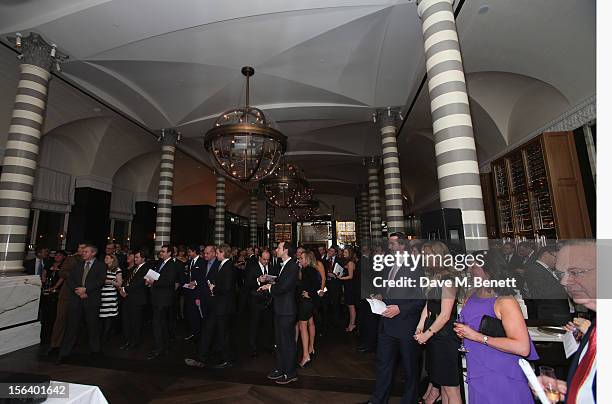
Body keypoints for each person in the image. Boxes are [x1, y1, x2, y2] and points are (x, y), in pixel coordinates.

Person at [453, 249, 539, 404]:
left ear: (488, 270)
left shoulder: (504, 301)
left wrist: (477, 337)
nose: (469, 270)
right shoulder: (472, 294)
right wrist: (465, 333)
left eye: (474, 266)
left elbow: (522, 347)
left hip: (499, 371)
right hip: (476, 367)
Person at [369, 233, 426, 404]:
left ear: (402, 246)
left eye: (392, 244)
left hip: (406, 325)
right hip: (386, 325)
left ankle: (409, 401)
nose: (390, 247)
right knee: (383, 366)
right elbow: (388, 291)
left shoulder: (416, 267)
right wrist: (380, 296)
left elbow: (421, 300)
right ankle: (378, 400)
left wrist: (400, 309)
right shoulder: (388, 265)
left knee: (410, 369)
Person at [537, 240, 596, 404]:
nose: (563, 282)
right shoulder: (592, 331)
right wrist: (568, 391)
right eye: (561, 274)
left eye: (575, 272)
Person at [414, 241, 461, 404]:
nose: (424, 258)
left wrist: (427, 334)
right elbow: (429, 304)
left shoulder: (448, 278)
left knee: (450, 387)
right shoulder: (435, 276)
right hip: (435, 332)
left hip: (445, 335)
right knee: (442, 385)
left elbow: (445, 315)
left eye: (427, 254)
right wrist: (421, 325)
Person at [58, 244, 107, 363]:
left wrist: (86, 290)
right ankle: (64, 354)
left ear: (93, 253)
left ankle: (95, 351)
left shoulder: (101, 266)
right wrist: (78, 291)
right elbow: (70, 279)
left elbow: (100, 281)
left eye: (86, 251)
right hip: (76, 299)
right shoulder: (78, 265)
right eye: (83, 251)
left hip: (91, 300)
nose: (83, 253)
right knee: (71, 327)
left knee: (93, 327)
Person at [260, 241, 299, 385]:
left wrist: (270, 288)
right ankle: (281, 368)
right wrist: (272, 284)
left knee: (287, 342)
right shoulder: (283, 265)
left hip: (287, 311)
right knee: (279, 342)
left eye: (279, 248)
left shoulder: (292, 265)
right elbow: (281, 284)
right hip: (280, 309)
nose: (276, 250)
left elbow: (285, 287)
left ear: (286, 250)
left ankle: (290, 372)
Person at [48, 244, 85, 356]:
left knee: (76, 321)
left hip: (80, 295)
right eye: (78, 247)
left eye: (82, 248)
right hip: (67, 294)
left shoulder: (90, 262)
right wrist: (75, 275)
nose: (80, 250)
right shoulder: (71, 259)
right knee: (60, 319)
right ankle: (55, 345)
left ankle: (72, 343)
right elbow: (62, 273)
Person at [146, 244, 180, 360]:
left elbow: (169, 282)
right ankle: (164, 346)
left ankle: (159, 349)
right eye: (161, 251)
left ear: (170, 253)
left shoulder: (172, 265)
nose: (161, 253)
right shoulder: (161, 263)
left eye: (163, 251)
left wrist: (153, 283)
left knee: (157, 323)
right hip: (157, 297)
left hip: (164, 299)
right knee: (161, 323)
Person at [120, 249, 150, 350]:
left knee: (135, 322)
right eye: (135, 257)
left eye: (137, 257)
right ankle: (127, 341)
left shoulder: (147, 268)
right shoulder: (134, 268)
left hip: (137, 299)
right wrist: (122, 289)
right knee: (126, 321)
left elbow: (139, 283)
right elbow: (127, 279)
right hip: (127, 298)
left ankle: (134, 342)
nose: (135, 259)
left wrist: (125, 289)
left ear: (143, 258)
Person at [245, 250, 273, 357]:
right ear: (259, 258)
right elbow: (247, 283)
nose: (266, 261)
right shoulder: (252, 267)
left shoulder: (271, 266)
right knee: (254, 324)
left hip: (268, 300)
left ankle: (267, 345)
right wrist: (258, 280)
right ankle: (253, 347)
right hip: (255, 300)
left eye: (268, 259)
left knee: (268, 324)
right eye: (264, 259)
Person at [296, 250, 321, 368]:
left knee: (302, 326)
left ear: (307, 259)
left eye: (301, 258)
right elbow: (316, 284)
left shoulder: (306, 270)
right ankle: (311, 348)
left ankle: (306, 355)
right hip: (310, 302)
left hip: (306, 302)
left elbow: (314, 285)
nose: (299, 260)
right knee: (310, 323)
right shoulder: (312, 269)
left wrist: (309, 293)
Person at [40, 251, 66, 345]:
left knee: (53, 313)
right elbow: (44, 274)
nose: (57, 256)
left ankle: (52, 334)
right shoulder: (49, 264)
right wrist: (44, 284)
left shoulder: (63, 266)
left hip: (57, 292)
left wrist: (54, 287)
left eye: (60, 255)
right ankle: (44, 333)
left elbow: (62, 278)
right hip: (46, 289)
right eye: (56, 255)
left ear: (63, 257)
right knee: (45, 312)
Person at [182, 245, 206, 342]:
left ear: (194, 252)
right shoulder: (189, 262)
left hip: (197, 292)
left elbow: (203, 276)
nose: (188, 254)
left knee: (197, 313)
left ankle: (198, 333)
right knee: (190, 313)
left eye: (190, 252)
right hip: (189, 291)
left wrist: (195, 282)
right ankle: (193, 332)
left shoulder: (202, 262)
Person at [99, 253, 122, 346]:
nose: (105, 259)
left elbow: (119, 283)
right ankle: (100, 337)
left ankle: (104, 339)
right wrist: (111, 281)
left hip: (110, 296)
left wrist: (108, 281)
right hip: (101, 295)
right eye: (105, 257)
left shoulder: (117, 269)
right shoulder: (102, 268)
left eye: (108, 258)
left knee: (108, 318)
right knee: (101, 318)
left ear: (113, 259)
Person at [338, 246, 358, 332]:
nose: (344, 254)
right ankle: (351, 323)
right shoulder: (348, 262)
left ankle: (352, 324)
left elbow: (350, 276)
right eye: (344, 252)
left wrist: (341, 278)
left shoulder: (350, 262)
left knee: (351, 306)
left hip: (351, 286)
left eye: (346, 252)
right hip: (348, 286)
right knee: (350, 306)